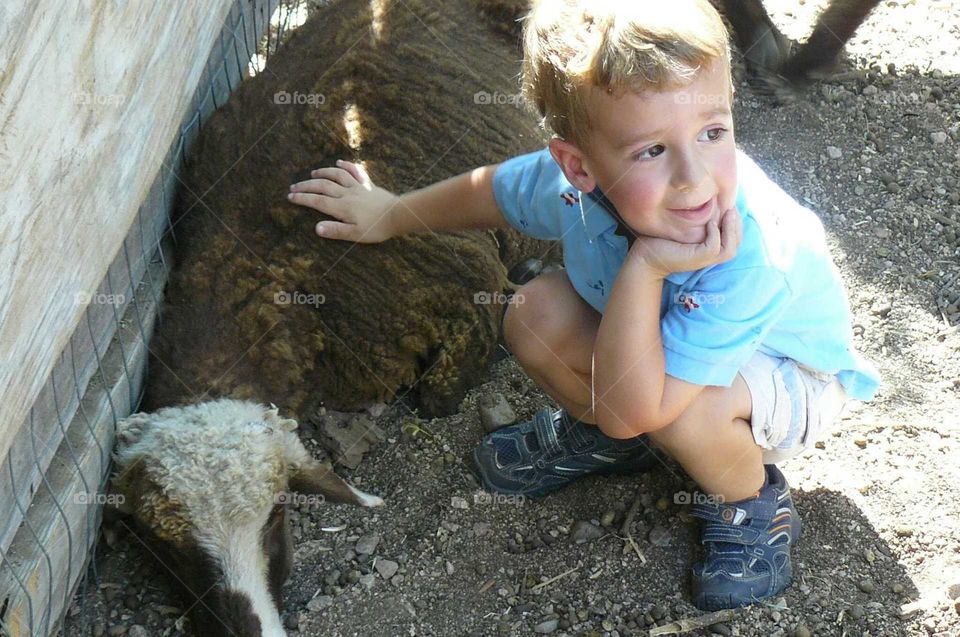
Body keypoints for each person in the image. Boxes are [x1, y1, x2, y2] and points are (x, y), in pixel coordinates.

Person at [286, 0, 881, 610]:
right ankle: (622, 446)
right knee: (531, 312)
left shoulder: (748, 253)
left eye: (713, 132)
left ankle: (749, 502)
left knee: (676, 413)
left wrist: (648, 265)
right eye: (651, 151)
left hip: (787, 378)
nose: (694, 178)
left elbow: (635, 406)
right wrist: (390, 212)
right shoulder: (570, 187)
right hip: (671, 360)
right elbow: (491, 192)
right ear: (578, 165)